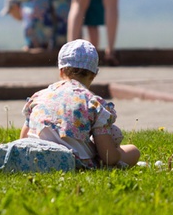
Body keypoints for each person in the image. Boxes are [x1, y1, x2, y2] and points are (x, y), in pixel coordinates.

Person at [19, 39, 140, 168]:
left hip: (34, 157)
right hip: (73, 162)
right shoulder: (93, 103)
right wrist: (116, 153)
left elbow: (24, 138)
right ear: (93, 76)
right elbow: (108, 156)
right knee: (133, 151)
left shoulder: (39, 96)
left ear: (61, 71)